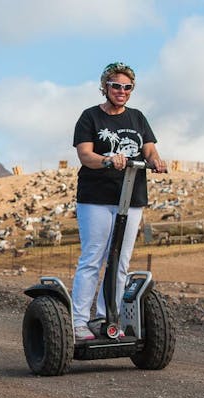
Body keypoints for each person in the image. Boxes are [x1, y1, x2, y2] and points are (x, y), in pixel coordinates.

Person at [71, 62, 166, 340]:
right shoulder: (90, 117)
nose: (121, 91)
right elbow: (85, 155)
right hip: (96, 198)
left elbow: (148, 147)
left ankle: (105, 317)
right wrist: (108, 160)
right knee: (94, 257)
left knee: (120, 261)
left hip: (131, 198)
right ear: (105, 87)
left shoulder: (137, 117)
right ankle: (78, 321)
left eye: (127, 87)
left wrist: (156, 160)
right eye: (116, 86)